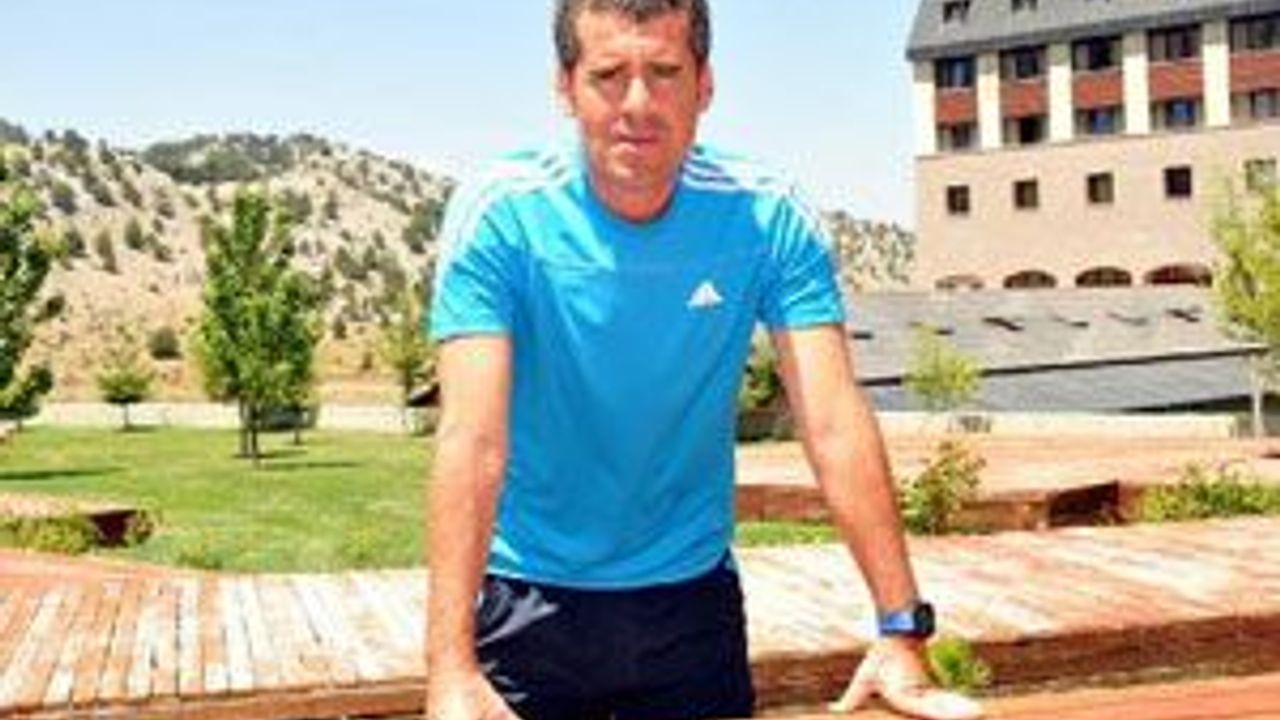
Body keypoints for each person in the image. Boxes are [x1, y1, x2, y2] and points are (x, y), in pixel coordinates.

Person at [424, 1, 983, 719]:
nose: (637, 103)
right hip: (528, 598)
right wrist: (449, 669)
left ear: (705, 85)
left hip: (691, 607)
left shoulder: (767, 215)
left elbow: (833, 423)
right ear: (565, 87)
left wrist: (901, 629)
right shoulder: (500, 214)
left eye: (664, 72)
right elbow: (472, 441)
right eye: (608, 75)